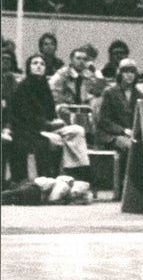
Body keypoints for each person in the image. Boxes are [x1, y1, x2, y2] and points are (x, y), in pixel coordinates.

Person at [8, 55, 91, 186]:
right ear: (29, 67)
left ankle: (79, 171)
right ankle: (65, 176)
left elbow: (50, 112)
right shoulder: (22, 87)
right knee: (54, 140)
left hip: (49, 126)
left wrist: (57, 119)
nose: (39, 66)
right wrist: (49, 124)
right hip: (31, 129)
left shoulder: (44, 85)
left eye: (42, 64)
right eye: (35, 63)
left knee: (77, 131)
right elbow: (25, 116)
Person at [95, 59, 143, 188]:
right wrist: (122, 131)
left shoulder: (140, 95)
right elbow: (103, 120)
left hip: (132, 135)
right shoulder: (109, 92)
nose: (129, 75)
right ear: (120, 74)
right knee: (129, 146)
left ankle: (140, 186)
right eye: (126, 72)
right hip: (109, 135)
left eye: (132, 72)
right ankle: (125, 186)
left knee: (142, 146)